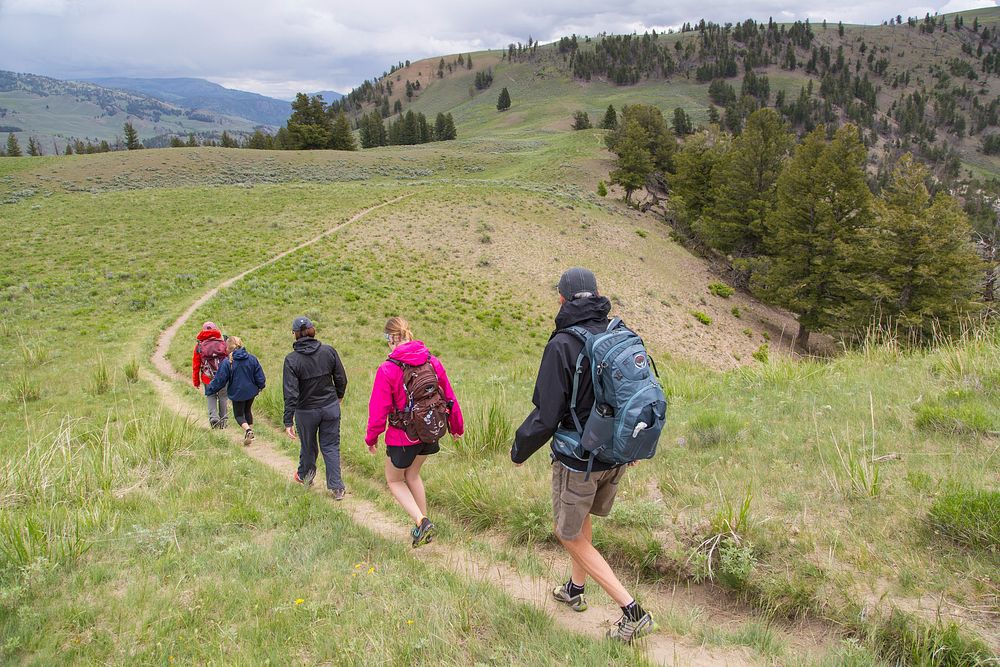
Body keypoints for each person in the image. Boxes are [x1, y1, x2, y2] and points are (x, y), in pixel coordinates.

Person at [511, 268, 655, 643]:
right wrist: (632, 446)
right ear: (597, 294)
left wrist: (519, 449)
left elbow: (546, 414)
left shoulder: (562, 343)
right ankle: (575, 589)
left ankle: (632, 611)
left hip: (579, 460)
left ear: (561, 299)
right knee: (583, 521)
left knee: (567, 532)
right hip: (617, 456)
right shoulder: (619, 333)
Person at [365, 317, 464, 547]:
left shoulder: (388, 369)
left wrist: (372, 438)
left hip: (403, 436)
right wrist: (456, 427)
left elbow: (378, 410)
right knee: (413, 475)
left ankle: (421, 521)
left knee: (394, 479)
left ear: (391, 339)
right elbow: (449, 396)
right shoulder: (432, 361)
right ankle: (424, 526)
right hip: (431, 431)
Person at [282, 316, 349, 499]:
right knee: (330, 446)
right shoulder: (328, 351)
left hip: (306, 411)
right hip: (329, 407)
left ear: (295, 334)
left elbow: (291, 393)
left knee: (308, 446)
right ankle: (337, 487)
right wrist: (338, 396)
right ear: (312, 330)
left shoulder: (292, 360)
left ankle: (306, 477)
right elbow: (341, 378)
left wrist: (288, 420)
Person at [205, 336, 266, 446]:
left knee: (238, 415)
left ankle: (248, 431)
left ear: (228, 348)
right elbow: (260, 376)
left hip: (237, 393)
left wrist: (210, 389)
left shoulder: (227, 362)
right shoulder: (252, 358)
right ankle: (250, 434)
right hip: (251, 391)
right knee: (247, 411)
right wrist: (260, 386)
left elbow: (220, 380)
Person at [192, 321, 229, 429]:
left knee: (211, 396)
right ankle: (224, 421)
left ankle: (213, 417)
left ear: (203, 331)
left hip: (207, 377)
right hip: (223, 376)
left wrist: (196, 381)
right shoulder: (223, 342)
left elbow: (196, 365)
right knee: (223, 397)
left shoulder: (199, 346)